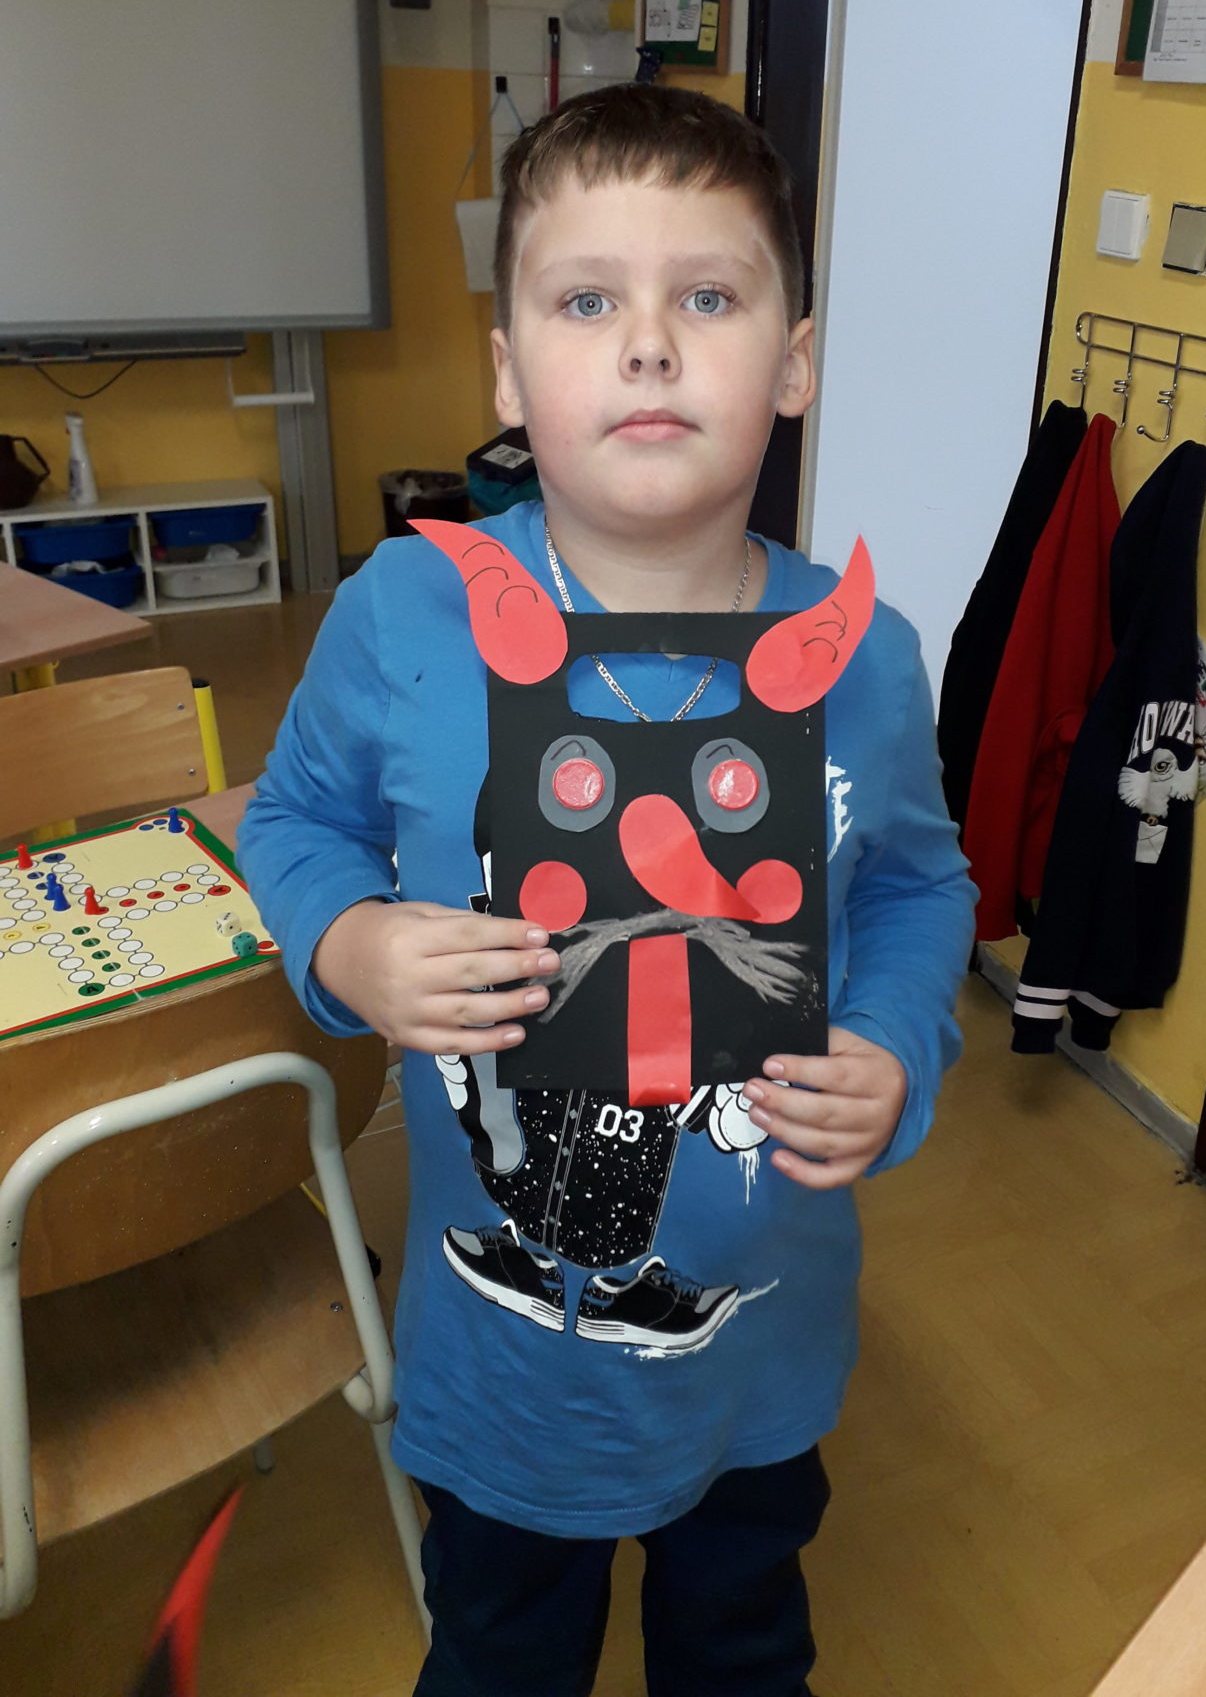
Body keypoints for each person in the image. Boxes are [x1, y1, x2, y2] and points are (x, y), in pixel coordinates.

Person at [239, 82, 975, 1697]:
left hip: (761, 1346)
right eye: (587, 302)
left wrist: (896, 1048)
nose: (648, 346)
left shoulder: (865, 659)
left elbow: (920, 890)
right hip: (502, 1381)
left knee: (741, 1651)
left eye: (707, 298)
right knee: (502, 1658)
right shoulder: (406, 612)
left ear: (793, 361)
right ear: (510, 370)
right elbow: (292, 821)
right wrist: (350, 943)